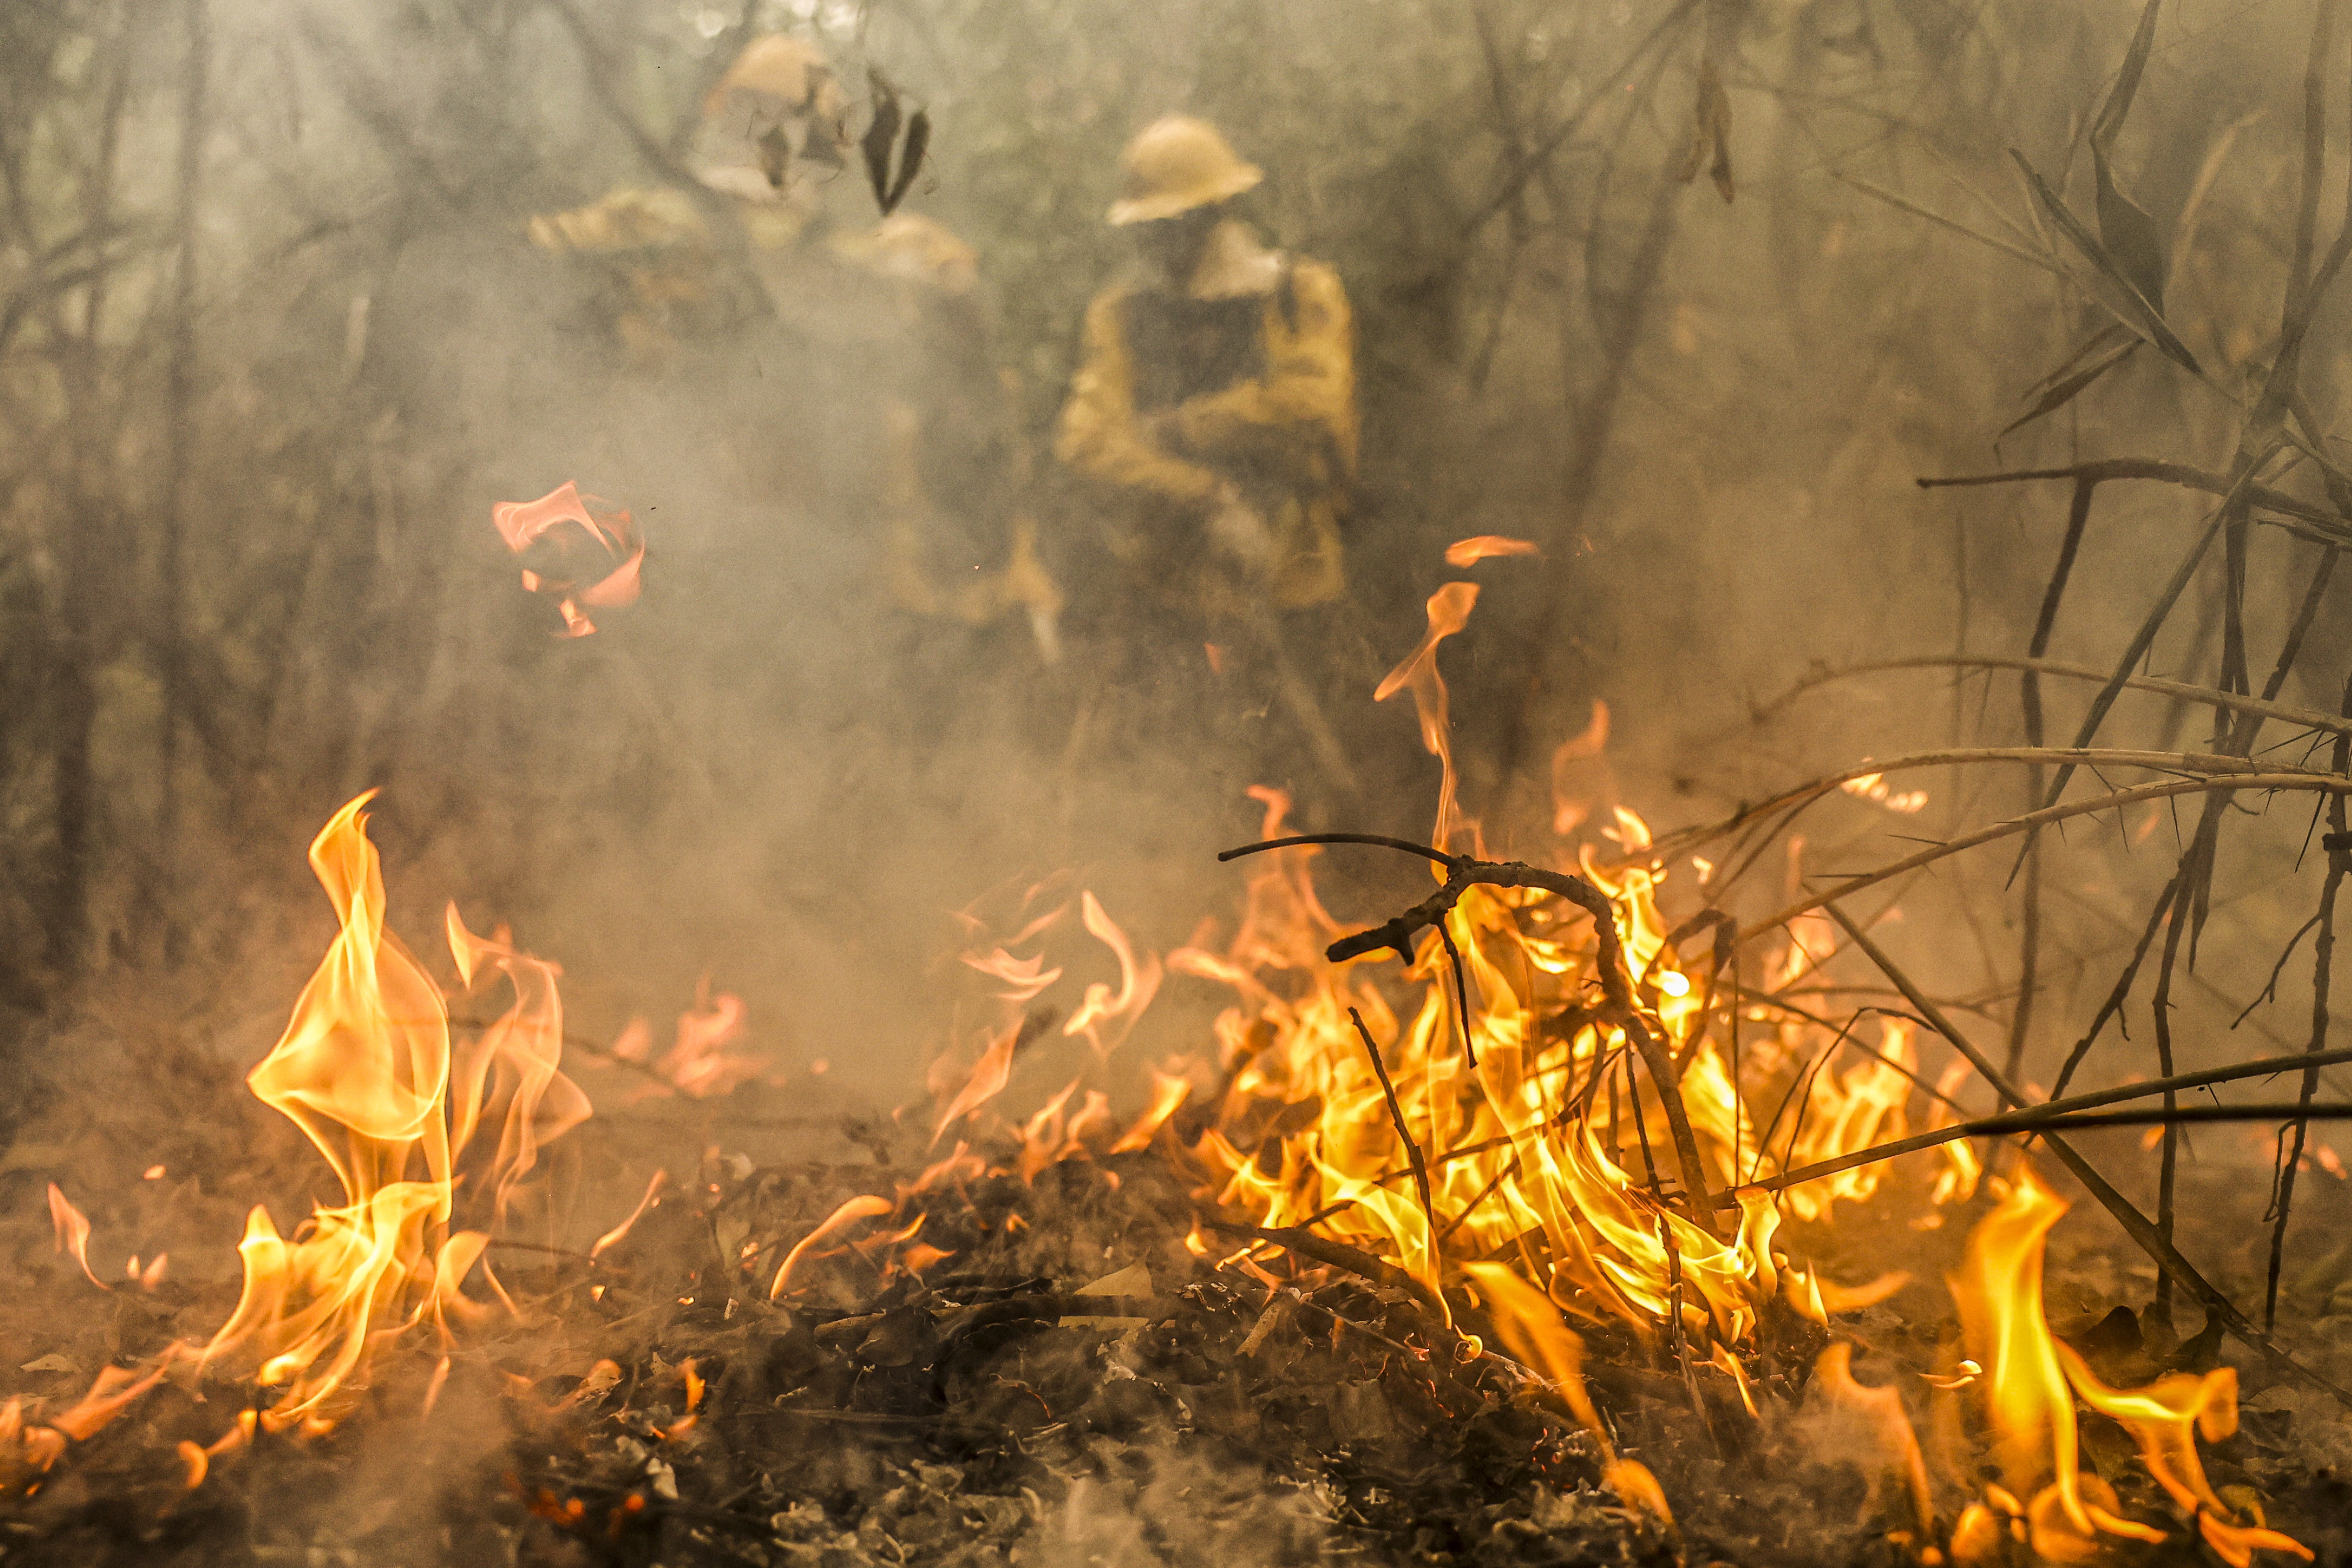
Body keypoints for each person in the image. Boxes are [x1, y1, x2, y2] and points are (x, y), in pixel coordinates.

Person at [1055, 115, 1361, 798]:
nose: (1164, 242)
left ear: (1218, 213)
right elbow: (1088, 439)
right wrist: (1199, 489)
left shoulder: (1296, 293)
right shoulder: (1123, 315)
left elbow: (1312, 399)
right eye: (1151, 227)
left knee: (1314, 784)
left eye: (1179, 223)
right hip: (1169, 586)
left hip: (1294, 579)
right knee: (1188, 786)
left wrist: (1189, 426)